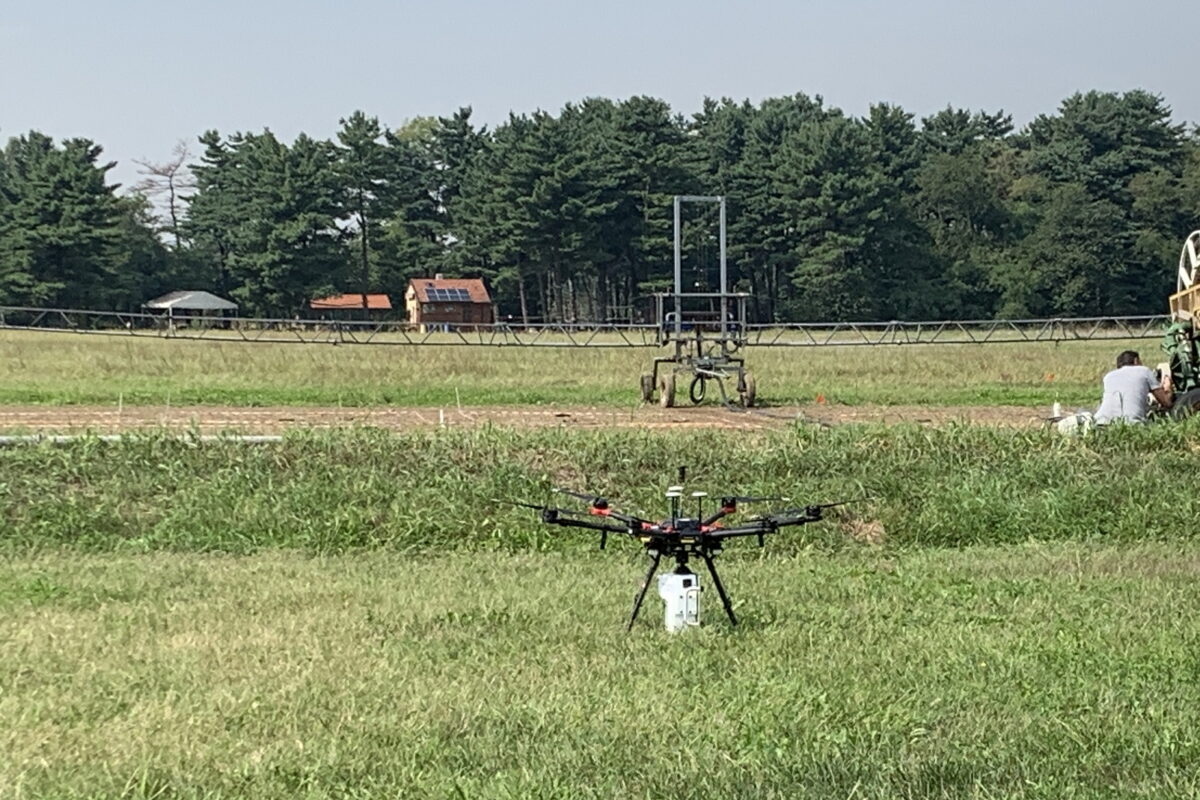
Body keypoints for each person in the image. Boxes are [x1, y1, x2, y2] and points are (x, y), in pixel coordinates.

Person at [1094, 350, 1173, 425]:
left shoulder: (1108, 376)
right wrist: (1167, 385)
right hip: (1132, 422)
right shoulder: (1144, 371)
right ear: (1136, 361)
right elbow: (1166, 403)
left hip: (1102, 421)